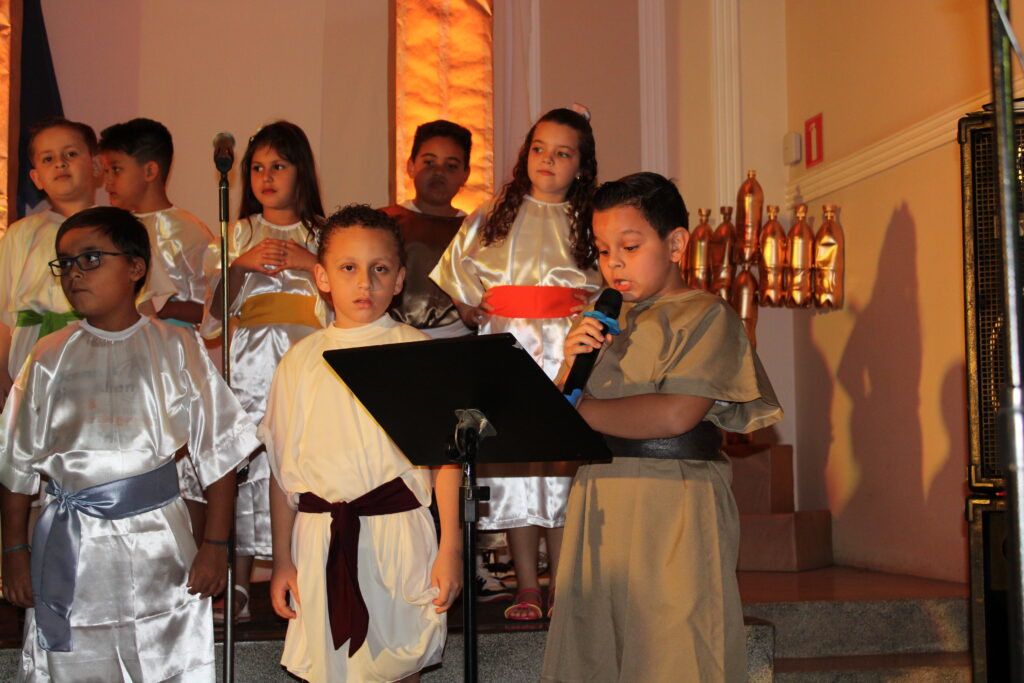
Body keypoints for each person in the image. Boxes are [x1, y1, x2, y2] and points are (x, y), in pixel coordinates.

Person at [541, 172, 783, 682]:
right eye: (603, 250)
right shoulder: (600, 321)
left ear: (675, 244)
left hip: (674, 497)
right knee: (596, 647)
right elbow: (563, 413)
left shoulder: (706, 315)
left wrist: (579, 413)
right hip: (600, 495)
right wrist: (571, 366)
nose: (614, 263)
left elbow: (677, 414)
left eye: (630, 247)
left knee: (676, 646)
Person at [0, 206, 258, 681]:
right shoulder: (48, 355)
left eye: (90, 258)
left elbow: (218, 453)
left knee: (163, 658)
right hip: (71, 545)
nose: (74, 273)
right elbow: (15, 464)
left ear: (136, 267)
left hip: (158, 542)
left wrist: (215, 544)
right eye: (65, 263)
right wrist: (14, 551)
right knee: (74, 662)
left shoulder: (175, 346)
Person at [262, 204, 462, 682]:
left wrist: (451, 547)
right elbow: (281, 471)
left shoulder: (417, 351)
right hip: (320, 540)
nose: (365, 283)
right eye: (348, 268)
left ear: (399, 279)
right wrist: (282, 559)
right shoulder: (300, 361)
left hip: (398, 535)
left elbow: (447, 461)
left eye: (380, 269)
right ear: (322, 277)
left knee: (399, 665)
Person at [431, 107, 602, 620]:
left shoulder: (590, 222)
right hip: (507, 352)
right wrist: (470, 309)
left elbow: (609, 287)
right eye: (539, 149)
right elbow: (459, 281)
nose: (547, 160)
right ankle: (527, 584)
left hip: (566, 355)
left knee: (561, 470)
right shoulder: (492, 214)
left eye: (562, 153)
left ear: (582, 166)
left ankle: (564, 584)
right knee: (516, 473)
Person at [202, 120, 328, 621]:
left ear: (302, 171)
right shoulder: (237, 234)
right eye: (257, 168)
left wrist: (310, 260)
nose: (266, 177)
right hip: (251, 363)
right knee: (247, 464)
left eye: (279, 166)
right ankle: (236, 581)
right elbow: (214, 317)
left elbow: (343, 300)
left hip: (307, 359)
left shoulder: (324, 233)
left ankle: (303, 571)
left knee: (299, 461)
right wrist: (241, 265)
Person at [0, 117, 175, 408]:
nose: (60, 164)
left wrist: (154, 363)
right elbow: (4, 316)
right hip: (33, 359)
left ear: (95, 166)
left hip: (103, 356)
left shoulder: (121, 227)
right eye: (48, 159)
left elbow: (143, 306)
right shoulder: (20, 235)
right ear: (36, 178)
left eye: (70, 154)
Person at [99, 117, 217, 327]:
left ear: (149, 171)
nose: (107, 182)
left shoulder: (188, 232)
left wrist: (164, 308)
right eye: (105, 171)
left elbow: (214, 308)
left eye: (116, 169)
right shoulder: (111, 230)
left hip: (173, 339)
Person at [382, 119, 473, 339]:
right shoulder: (382, 222)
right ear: (411, 166)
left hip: (458, 341)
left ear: (465, 174)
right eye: (429, 162)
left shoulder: (476, 229)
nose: (439, 172)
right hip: (392, 337)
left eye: (451, 165)